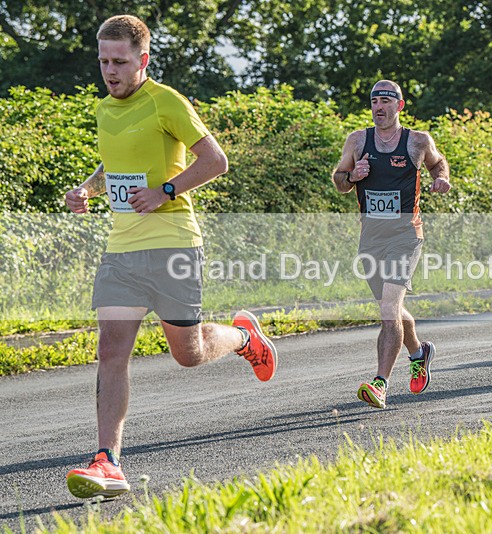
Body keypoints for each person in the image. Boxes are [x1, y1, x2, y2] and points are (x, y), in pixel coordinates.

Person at [63, 15, 277, 499]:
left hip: (173, 244)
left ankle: (245, 337)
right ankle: (108, 460)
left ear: (143, 60)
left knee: (189, 353)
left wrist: (164, 191)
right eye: (103, 61)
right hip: (122, 249)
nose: (110, 71)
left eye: (120, 62)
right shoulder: (104, 109)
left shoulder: (167, 101)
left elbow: (215, 161)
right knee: (111, 349)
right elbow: (113, 164)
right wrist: (88, 189)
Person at [331, 80, 451, 409]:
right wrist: (352, 176)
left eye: (386, 101)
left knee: (388, 308)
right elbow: (339, 180)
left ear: (399, 106)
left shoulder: (417, 141)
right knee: (391, 307)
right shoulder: (358, 140)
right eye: (374, 101)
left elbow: (438, 162)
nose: (378, 107)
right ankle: (419, 352)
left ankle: (380, 383)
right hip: (371, 237)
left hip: (405, 235)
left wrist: (441, 178)